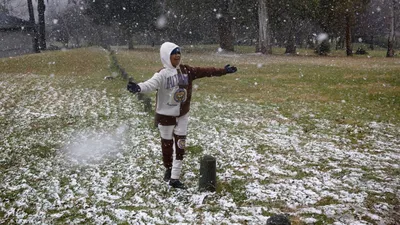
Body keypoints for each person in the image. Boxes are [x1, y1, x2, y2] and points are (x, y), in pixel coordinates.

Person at [127, 42, 237, 189]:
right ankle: (168, 168)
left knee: (180, 145)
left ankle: (175, 178)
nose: (177, 55)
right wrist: (138, 87)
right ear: (166, 56)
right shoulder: (162, 74)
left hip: (182, 115)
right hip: (165, 116)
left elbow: (205, 71)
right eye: (174, 53)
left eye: (179, 52)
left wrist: (223, 70)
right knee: (166, 145)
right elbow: (150, 84)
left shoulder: (187, 71)